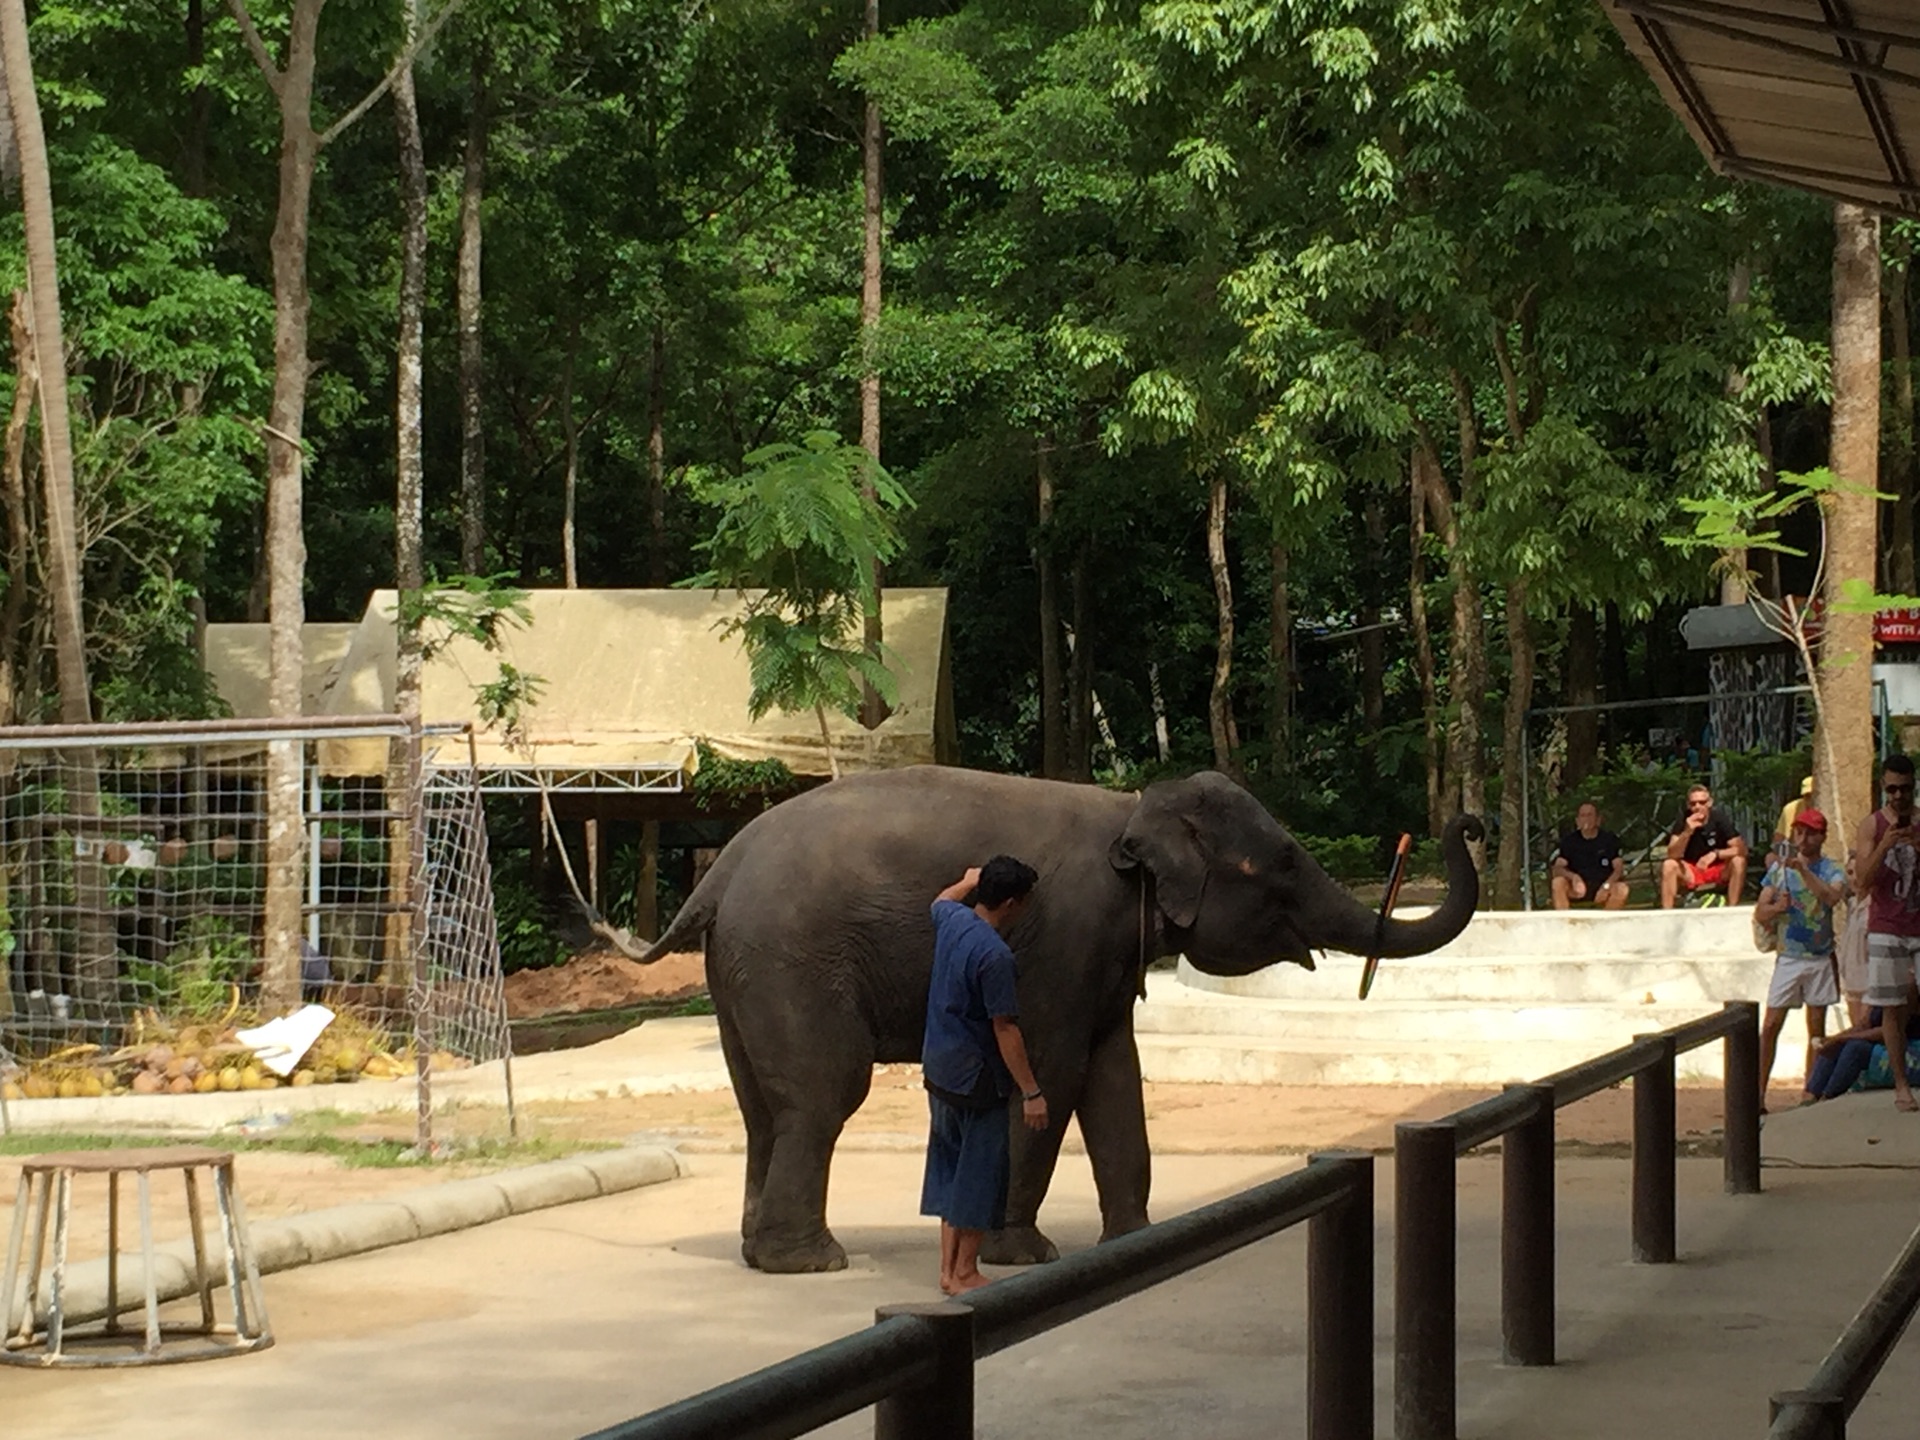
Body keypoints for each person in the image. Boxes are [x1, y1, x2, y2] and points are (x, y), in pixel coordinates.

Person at [920, 855, 1047, 1295]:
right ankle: (965, 1272)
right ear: (1011, 903)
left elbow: (939, 900)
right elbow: (1005, 1028)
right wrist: (1031, 1091)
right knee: (978, 1174)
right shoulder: (996, 957)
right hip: (977, 1078)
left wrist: (965, 881)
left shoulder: (952, 920)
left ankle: (947, 1270)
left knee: (950, 1169)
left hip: (939, 1069)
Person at [1753, 808, 1845, 1108]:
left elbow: (1831, 898)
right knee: (1770, 1024)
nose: (1803, 839)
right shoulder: (1779, 872)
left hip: (1819, 957)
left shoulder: (1831, 870)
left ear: (1822, 837)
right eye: (1799, 832)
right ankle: (1757, 1092)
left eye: (1810, 833)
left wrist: (1803, 870)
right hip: (1789, 956)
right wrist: (1776, 909)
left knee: (1816, 1027)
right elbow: (1760, 910)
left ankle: (1810, 1090)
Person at [1856, 754, 1920, 1111]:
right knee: (1893, 1008)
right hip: (1886, 926)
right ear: (1883, 786)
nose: (1899, 796)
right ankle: (1901, 1085)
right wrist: (1886, 844)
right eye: (1892, 789)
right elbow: (1862, 883)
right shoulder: (1872, 826)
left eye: (1906, 788)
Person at [1805, 985, 1920, 1102]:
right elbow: (1864, 1024)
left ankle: (1829, 1095)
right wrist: (1833, 1039)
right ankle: (1813, 1093)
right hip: (1878, 1042)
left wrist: (1842, 1039)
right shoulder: (1878, 990)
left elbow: (1889, 1031)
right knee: (1833, 1046)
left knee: (1856, 1048)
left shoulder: (1908, 989)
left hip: (1908, 1045)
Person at [1660, 783, 1748, 908]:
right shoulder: (1683, 819)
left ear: (1709, 803)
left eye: (1702, 802)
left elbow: (1741, 849)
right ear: (1688, 805)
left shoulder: (1719, 818)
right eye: (1693, 803)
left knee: (1739, 861)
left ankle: (1732, 908)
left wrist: (1715, 854)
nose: (1697, 807)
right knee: (1668, 865)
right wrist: (1687, 832)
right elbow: (1672, 854)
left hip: (1717, 869)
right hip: (1692, 870)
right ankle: (1667, 914)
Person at [1551, 802, 1629, 910]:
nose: (1586, 819)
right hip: (1577, 888)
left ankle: (1605, 923)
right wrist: (1574, 878)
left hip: (1602, 885)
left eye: (1590, 815)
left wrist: (1607, 886)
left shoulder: (1609, 839)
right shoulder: (1569, 841)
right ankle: (1564, 922)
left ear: (1598, 819)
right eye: (1583, 816)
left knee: (1622, 889)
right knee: (1558, 883)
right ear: (1577, 820)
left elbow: (1618, 868)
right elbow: (1558, 868)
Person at [1775, 774, 1816, 843]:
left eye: (1812, 795)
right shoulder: (1791, 809)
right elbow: (1779, 836)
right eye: (1807, 796)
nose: (1810, 800)